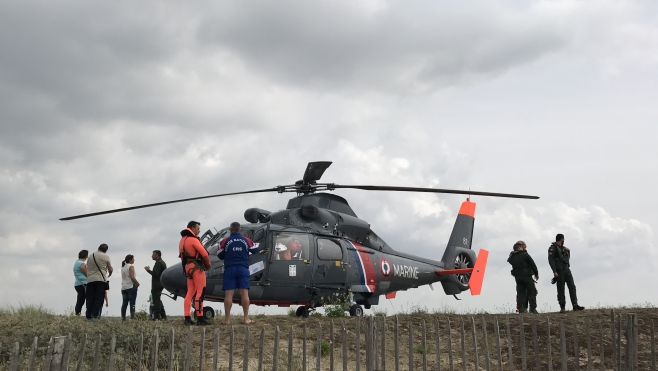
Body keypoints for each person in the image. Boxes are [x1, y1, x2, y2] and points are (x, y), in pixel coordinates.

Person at [218, 222, 260, 325]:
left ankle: (227, 319)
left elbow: (219, 254)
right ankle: (246, 319)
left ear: (230, 230)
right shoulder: (246, 240)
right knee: (244, 293)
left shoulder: (224, 241)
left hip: (230, 269)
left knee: (228, 294)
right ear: (239, 230)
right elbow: (256, 249)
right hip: (243, 269)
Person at [179, 221, 211, 326]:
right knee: (200, 292)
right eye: (198, 228)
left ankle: (187, 317)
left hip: (188, 268)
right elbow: (205, 254)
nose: (199, 230)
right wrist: (207, 265)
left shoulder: (182, 240)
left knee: (190, 293)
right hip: (197, 267)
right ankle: (200, 317)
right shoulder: (193, 240)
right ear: (192, 228)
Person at [548, 234, 585, 313]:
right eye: (563, 239)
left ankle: (575, 304)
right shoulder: (553, 248)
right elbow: (551, 260)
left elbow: (567, 260)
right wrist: (554, 271)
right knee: (561, 289)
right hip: (559, 271)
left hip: (566, 270)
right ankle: (562, 307)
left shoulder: (564, 249)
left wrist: (568, 251)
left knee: (572, 287)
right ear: (562, 239)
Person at [507, 240, 539, 314]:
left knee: (520, 293)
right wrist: (536, 273)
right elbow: (532, 263)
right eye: (524, 246)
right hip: (526, 276)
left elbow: (509, 260)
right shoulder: (524, 255)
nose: (525, 247)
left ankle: (522, 309)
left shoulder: (512, 257)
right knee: (532, 292)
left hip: (518, 277)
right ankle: (533, 309)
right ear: (520, 247)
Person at [86, 243, 113, 322]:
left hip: (90, 280)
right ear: (106, 250)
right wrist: (109, 274)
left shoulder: (90, 256)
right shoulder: (106, 256)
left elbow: (88, 267)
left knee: (90, 298)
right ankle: (94, 316)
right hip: (100, 280)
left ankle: (88, 316)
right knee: (99, 299)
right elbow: (110, 269)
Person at [145, 250, 167, 320]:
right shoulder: (161, 262)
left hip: (157, 284)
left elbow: (155, 274)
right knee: (158, 299)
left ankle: (157, 316)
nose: (152, 256)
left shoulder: (158, 263)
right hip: (161, 283)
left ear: (157, 255)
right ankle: (163, 316)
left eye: (153, 254)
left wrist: (148, 270)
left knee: (156, 300)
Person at [121, 254, 140, 320]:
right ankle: (132, 317)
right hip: (131, 286)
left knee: (124, 303)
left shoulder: (123, 267)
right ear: (130, 259)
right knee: (132, 303)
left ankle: (123, 318)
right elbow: (132, 277)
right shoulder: (131, 267)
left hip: (124, 287)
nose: (134, 260)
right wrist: (137, 283)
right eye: (133, 259)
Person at [73, 250, 88, 316]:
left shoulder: (76, 263)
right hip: (83, 283)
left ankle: (78, 313)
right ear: (86, 256)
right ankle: (78, 313)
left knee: (80, 299)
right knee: (81, 300)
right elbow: (87, 273)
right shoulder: (81, 264)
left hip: (78, 283)